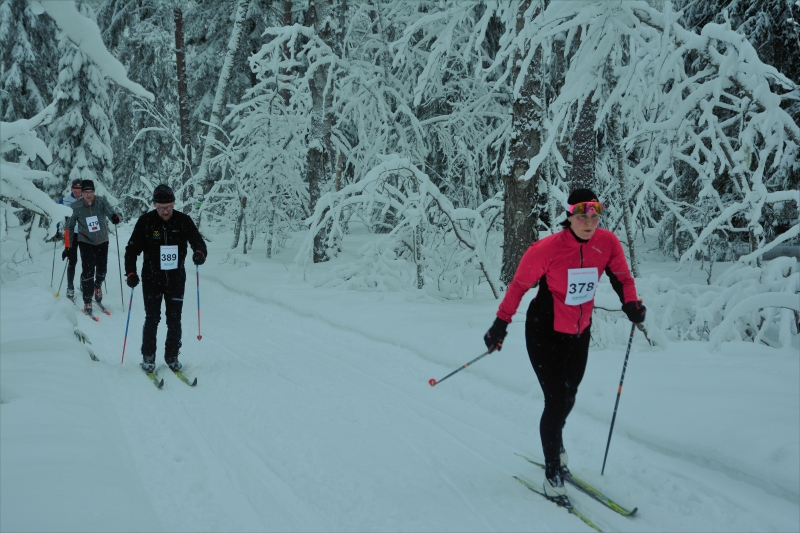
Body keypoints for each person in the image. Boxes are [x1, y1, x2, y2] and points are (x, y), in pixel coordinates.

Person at [483, 188, 646, 500]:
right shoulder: (546, 249)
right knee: (557, 399)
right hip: (544, 330)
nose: (589, 221)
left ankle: (554, 440)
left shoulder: (607, 243)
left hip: (579, 333)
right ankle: (552, 470)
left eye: (594, 215)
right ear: (569, 216)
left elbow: (623, 278)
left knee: (569, 396)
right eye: (582, 215)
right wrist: (500, 325)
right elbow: (518, 287)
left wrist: (631, 304)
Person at [124, 184, 207, 373]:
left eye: (169, 206)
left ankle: (172, 357)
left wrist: (200, 254)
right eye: (161, 207)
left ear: (174, 204)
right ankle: (148, 357)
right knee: (152, 318)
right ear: (154, 204)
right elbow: (131, 250)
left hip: (176, 280)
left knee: (174, 319)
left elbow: (198, 242)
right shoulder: (146, 222)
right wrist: (131, 273)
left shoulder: (183, 221)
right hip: (152, 280)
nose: (165, 211)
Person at [65, 180, 122, 316]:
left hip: (102, 240)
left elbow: (110, 212)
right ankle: (88, 300)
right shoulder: (76, 207)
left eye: (91, 192)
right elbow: (69, 226)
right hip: (86, 241)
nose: (89, 195)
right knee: (88, 271)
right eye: (86, 192)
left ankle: (98, 286)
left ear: (94, 192)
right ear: (82, 193)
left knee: (102, 270)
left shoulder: (101, 202)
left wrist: (115, 217)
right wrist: (68, 245)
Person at [58, 179, 83, 302]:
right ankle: (70, 287)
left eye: (79, 191)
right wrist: (57, 228)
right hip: (70, 234)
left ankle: (84, 283)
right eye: (75, 190)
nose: (77, 193)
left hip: (85, 234)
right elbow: (57, 214)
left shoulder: (88, 199)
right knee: (72, 261)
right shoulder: (65, 200)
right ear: (72, 189)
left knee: (87, 261)